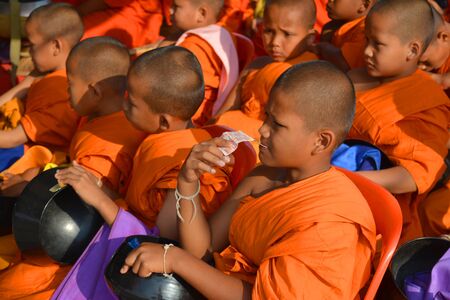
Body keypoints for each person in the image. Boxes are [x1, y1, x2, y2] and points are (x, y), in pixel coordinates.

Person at [119, 61, 376, 299]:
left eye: (277, 124)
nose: (262, 129)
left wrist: (175, 260)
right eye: (266, 117)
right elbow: (204, 248)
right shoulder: (264, 176)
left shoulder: (329, 225)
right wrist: (188, 182)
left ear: (321, 141)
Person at [51, 46, 256, 299]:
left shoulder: (183, 164)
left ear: (163, 122)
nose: (123, 103)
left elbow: (162, 242)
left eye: (132, 103)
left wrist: (101, 200)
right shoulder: (191, 136)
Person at [0, 36, 148, 300]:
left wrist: (24, 186)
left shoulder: (107, 141)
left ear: (94, 92)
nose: (67, 94)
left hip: (71, 241)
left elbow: (77, 206)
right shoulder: (103, 118)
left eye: (70, 86)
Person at [347, 0, 449, 243]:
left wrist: (349, 179)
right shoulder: (355, 75)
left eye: (378, 44)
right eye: (367, 40)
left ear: (412, 50)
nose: (367, 51)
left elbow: (415, 175)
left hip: (376, 212)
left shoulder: (422, 99)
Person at [214, 0, 318, 140]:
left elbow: (291, 133)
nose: (275, 42)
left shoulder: (309, 73)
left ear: (310, 38)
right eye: (269, 31)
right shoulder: (257, 64)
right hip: (228, 136)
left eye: (287, 34)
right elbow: (224, 111)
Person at [0, 3, 82, 160]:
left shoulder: (61, 87)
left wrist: (26, 84)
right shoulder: (52, 76)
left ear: (56, 46)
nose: (29, 51)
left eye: (32, 45)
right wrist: (26, 84)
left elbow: (12, 139)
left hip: (36, 159)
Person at [313, 0, 375, 72]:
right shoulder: (341, 23)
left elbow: (344, 64)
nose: (329, 1)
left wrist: (319, 46)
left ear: (364, 5)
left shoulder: (364, 30)